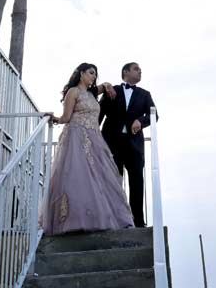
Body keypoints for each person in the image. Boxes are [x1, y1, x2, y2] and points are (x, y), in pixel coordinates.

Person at [41, 63, 134, 235]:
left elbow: (105, 85)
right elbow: (66, 117)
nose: (93, 77)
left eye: (95, 74)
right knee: (78, 177)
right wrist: (54, 118)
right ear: (81, 73)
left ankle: (105, 218)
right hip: (76, 137)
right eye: (91, 73)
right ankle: (74, 221)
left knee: (103, 176)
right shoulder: (73, 92)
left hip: (95, 139)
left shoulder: (91, 93)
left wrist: (106, 85)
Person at [98, 62, 155, 228]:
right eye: (137, 69)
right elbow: (99, 115)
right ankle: (112, 220)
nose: (140, 71)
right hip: (111, 143)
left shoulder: (145, 94)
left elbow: (154, 114)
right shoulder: (111, 90)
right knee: (112, 181)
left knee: (137, 182)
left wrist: (140, 120)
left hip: (134, 146)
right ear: (125, 72)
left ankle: (138, 221)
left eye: (140, 70)